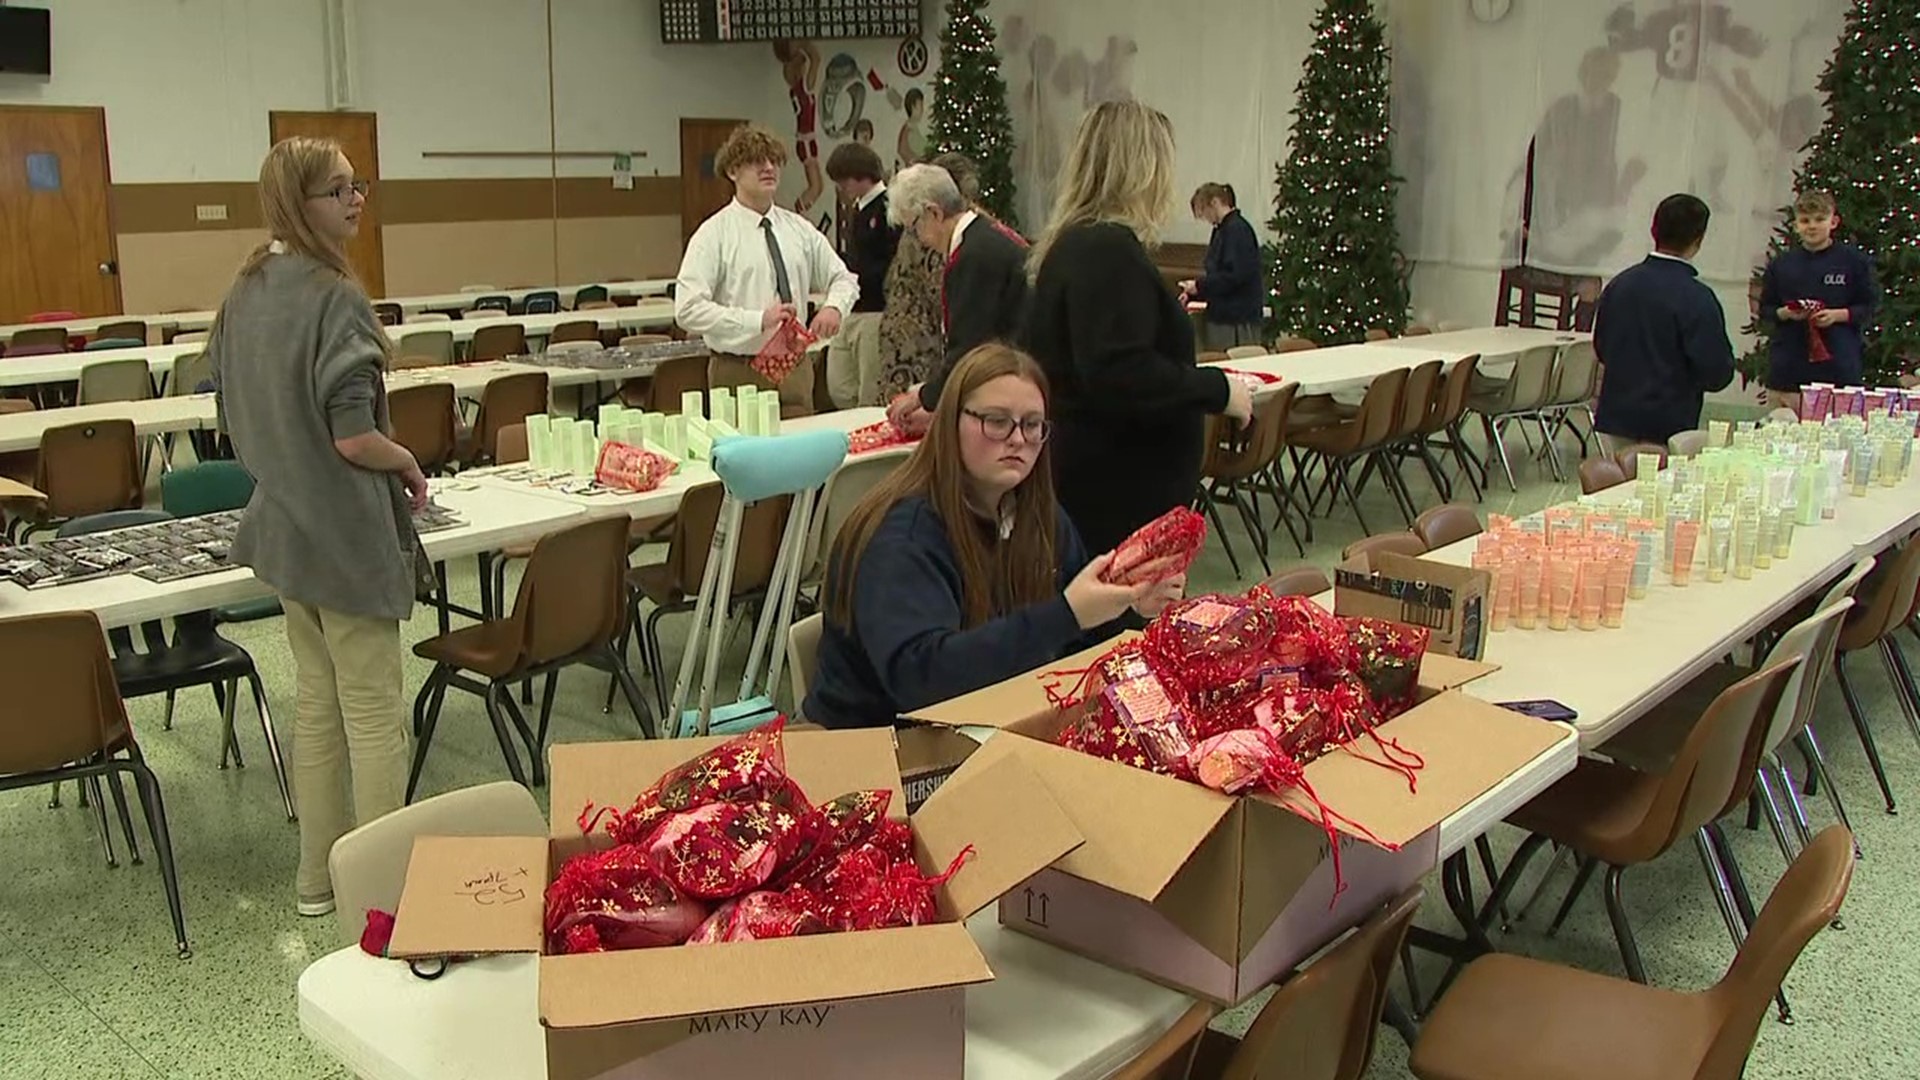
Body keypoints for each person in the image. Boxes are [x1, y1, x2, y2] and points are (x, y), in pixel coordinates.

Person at [207, 136, 429, 918]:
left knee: (316, 705)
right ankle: (383, 897)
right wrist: (405, 460)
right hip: (344, 532)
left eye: (357, 184)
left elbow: (226, 408)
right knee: (374, 715)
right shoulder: (335, 295)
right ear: (298, 205)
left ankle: (315, 883)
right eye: (338, 190)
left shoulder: (246, 289)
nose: (356, 199)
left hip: (285, 529)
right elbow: (352, 436)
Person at [805, 344, 1183, 727]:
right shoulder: (902, 537)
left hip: (989, 719)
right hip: (877, 748)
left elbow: (1073, 641)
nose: (1018, 439)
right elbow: (923, 684)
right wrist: (1067, 614)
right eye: (997, 421)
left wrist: (1126, 605)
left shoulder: (1036, 516)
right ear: (951, 422)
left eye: (1032, 424)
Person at [1023, 100, 1253, 554]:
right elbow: (1121, 372)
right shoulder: (1105, 251)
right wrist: (1217, 389)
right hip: (1117, 495)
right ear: (1144, 169)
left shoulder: (1078, 245)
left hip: (1100, 482)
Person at [674, 123, 859, 417]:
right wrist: (757, 320)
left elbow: (844, 278)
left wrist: (834, 307)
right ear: (733, 171)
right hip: (737, 370)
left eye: (774, 161)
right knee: (744, 454)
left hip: (793, 368)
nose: (768, 167)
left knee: (800, 452)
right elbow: (687, 309)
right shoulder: (713, 235)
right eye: (756, 161)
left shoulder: (799, 229)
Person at [884, 163, 1029, 424]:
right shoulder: (985, 236)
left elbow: (971, 346)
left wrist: (925, 399)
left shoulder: (974, 256)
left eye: (914, 227)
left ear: (934, 213)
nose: (918, 240)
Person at [1591, 193, 1737, 452]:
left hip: (1617, 415)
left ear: (1653, 230)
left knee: (1617, 486)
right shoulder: (1697, 297)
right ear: (1698, 240)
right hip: (1670, 420)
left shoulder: (1620, 285)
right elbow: (1715, 371)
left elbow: (1601, 346)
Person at [1757, 189, 1879, 412]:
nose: (1812, 226)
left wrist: (1837, 315)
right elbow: (1766, 309)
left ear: (1834, 222)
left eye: (1819, 219)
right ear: (1796, 225)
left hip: (1838, 368)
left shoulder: (1854, 262)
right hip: (1789, 368)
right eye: (1805, 221)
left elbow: (1869, 306)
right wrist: (1785, 313)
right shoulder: (1781, 264)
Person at [824, 142, 899, 408]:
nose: (840, 187)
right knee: (840, 387)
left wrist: (859, 278)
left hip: (874, 310)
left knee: (869, 390)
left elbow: (892, 263)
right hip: (851, 308)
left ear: (859, 176)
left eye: (843, 180)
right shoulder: (858, 209)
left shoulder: (889, 207)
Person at [1179, 182, 1265, 349]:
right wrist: (1194, 293)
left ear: (1215, 203)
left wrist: (1199, 286)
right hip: (1224, 313)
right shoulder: (1222, 230)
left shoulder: (1237, 230)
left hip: (1237, 318)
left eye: (1203, 211)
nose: (1205, 218)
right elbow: (1218, 274)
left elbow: (1236, 276)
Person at [773, 39, 824, 213]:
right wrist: (804, 44)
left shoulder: (795, 88)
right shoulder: (804, 87)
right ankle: (797, 215)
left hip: (805, 140)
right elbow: (816, 59)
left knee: (817, 187)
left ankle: (799, 213)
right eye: (803, 66)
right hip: (806, 140)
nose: (806, 68)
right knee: (816, 188)